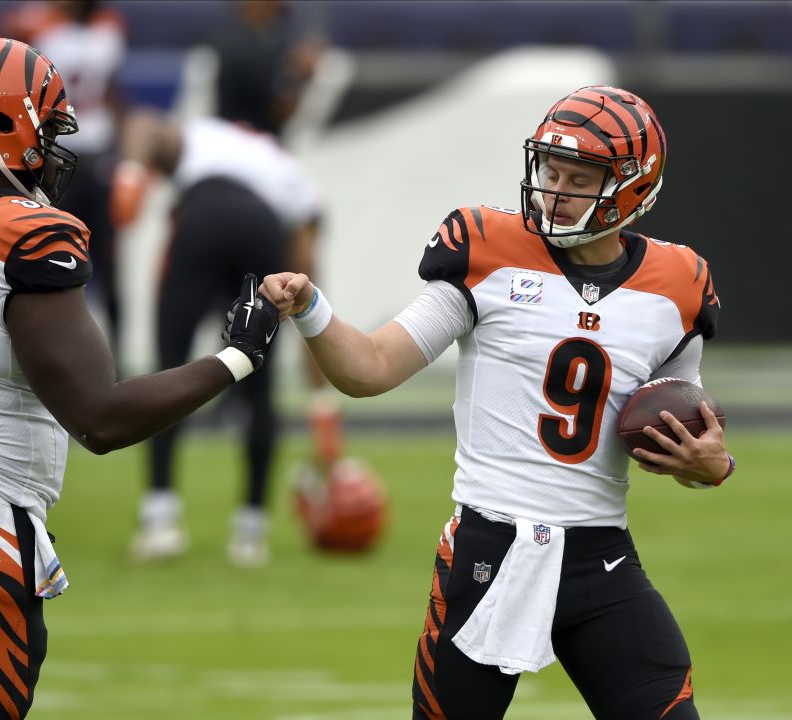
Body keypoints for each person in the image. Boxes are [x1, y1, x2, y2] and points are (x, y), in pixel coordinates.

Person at [0, 38, 280, 719]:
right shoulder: (22, 232)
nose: (51, 147)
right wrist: (236, 357)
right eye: (43, 128)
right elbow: (100, 419)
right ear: (2, 127)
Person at [262, 86, 734, 719]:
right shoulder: (488, 250)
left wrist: (711, 468)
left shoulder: (677, 287)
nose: (556, 190)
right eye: (551, 170)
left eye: (579, 176)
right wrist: (312, 310)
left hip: (601, 556)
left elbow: (681, 425)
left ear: (632, 186)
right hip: (492, 547)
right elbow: (370, 369)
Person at [112, 18, 325, 567]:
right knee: (256, 381)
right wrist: (319, 386)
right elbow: (305, 273)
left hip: (203, 217)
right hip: (262, 232)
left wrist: (132, 175)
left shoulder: (206, 134)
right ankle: (250, 529)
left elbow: (144, 126)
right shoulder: (287, 166)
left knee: (169, 369)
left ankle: (160, 516)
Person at [0, 0, 128, 357]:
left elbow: (113, 94)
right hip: (57, 156)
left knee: (108, 261)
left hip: (96, 155)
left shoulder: (107, 27)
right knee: (52, 253)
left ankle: (113, 351)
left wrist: (126, 155)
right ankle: (53, 348)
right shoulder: (37, 26)